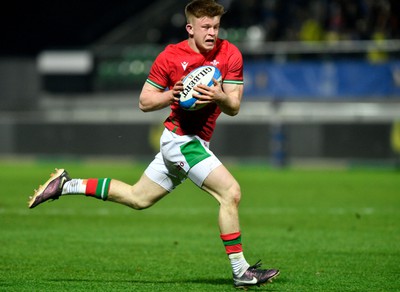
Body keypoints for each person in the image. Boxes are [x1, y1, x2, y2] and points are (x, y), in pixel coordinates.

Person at [28, 0, 279, 288]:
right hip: (180, 139)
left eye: (216, 26)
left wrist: (219, 96)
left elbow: (233, 106)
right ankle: (241, 271)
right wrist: (172, 94)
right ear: (190, 28)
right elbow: (145, 101)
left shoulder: (230, 53)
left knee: (138, 198)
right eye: (205, 26)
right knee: (230, 193)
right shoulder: (170, 57)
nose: (212, 32)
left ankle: (65, 185)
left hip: (196, 141)